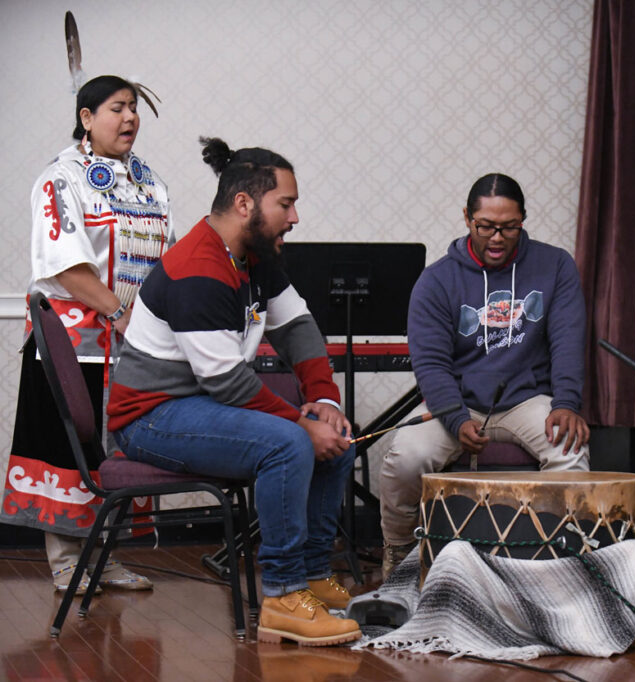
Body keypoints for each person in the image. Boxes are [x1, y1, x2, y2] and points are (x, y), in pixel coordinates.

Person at [105, 137, 361, 646]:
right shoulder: (198, 267)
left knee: (332, 439)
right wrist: (299, 424)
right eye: (285, 204)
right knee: (289, 443)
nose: (295, 217)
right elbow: (226, 382)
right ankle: (284, 595)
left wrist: (325, 403)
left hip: (198, 403)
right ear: (245, 204)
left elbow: (299, 328)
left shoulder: (253, 256)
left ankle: (310, 574)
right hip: (150, 417)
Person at [1, 75, 173, 594]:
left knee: (119, 446)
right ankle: (65, 558)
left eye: (135, 108)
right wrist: (118, 311)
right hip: (74, 339)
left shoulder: (148, 182)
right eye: (117, 108)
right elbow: (68, 267)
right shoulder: (61, 179)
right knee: (67, 440)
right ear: (86, 117)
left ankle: (107, 556)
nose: (129, 118)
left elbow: (164, 261)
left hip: (134, 341)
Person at [379, 173, 591, 576]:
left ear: (523, 220)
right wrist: (456, 418)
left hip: (527, 399)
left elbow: (567, 339)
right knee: (406, 456)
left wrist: (566, 403)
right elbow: (431, 363)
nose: (497, 237)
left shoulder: (555, 265)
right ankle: (399, 550)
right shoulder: (437, 280)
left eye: (509, 227)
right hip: (459, 403)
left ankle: (554, 563)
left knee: (569, 451)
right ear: (466, 219)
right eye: (486, 226)